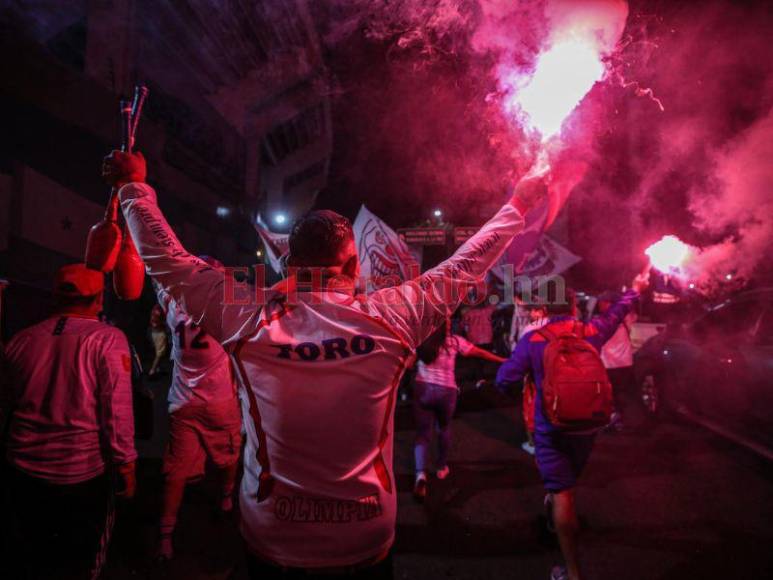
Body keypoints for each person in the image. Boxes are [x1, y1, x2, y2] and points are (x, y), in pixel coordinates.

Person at [103, 148, 546, 578]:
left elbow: (168, 261)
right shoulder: (393, 316)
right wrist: (519, 204)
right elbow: (466, 264)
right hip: (364, 539)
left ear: (289, 264)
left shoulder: (247, 317)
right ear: (353, 265)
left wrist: (133, 187)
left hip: (273, 537)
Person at [495, 276, 649, 580]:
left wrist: (526, 379)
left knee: (562, 492)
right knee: (568, 482)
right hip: (587, 425)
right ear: (573, 304)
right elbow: (617, 312)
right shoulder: (590, 331)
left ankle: (572, 572)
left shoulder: (534, 340)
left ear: (543, 307)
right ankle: (557, 506)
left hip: (551, 427)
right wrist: (635, 289)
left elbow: (503, 380)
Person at [1, 263, 136, 580]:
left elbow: (6, 402)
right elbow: (116, 408)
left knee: (29, 555)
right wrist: (126, 463)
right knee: (79, 560)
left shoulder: (22, 340)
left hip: (21, 468)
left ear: (55, 297)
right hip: (80, 474)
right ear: (99, 298)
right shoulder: (107, 339)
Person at [153, 267, 242, 560]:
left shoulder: (174, 309)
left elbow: (160, 280)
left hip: (182, 403)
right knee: (230, 453)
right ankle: (227, 498)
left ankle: (165, 537)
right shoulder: (224, 312)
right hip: (219, 402)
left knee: (176, 471)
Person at [412, 317, 505, 501]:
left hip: (423, 389)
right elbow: (480, 353)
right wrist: (503, 360)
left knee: (422, 434)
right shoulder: (455, 342)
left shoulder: (421, 340)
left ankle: (420, 474)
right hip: (446, 391)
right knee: (444, 428)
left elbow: (407, 362)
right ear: (447, 325)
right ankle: (441, 467)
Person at [596, 291, 636, 431]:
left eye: (602, 302)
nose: (599, 305)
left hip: (609, 364)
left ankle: (613, 421)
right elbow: (631, 310)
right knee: (621, 395)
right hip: (624, 363)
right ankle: (621, 421)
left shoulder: (606, 319)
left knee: (611, 395)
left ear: (610, 304)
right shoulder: (627, 317)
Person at [461, 300, 497, 387]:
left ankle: (480, 378)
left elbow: (462, 326)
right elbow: (495, 306)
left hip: (474, 340)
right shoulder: (488, 311)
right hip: (487, 339)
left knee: (476, 360)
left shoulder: (468, 313)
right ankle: (488, 376)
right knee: (485, 358)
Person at [148, 302, 168, 376]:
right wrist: (163, 322)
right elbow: (155, 323)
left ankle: (157, 369)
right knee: (159, 354)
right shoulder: (158, 310)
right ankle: (152, 370)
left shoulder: (155, 309)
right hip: (158, 333)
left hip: (155, 332)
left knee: (160, 353)